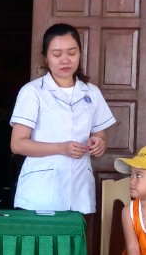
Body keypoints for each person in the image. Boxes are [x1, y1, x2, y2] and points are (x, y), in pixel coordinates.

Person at [9, 23, 116, 213]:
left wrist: (99, 143)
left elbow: (100, 135)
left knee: (75, 232)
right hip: (40, 192)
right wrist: (61, 148)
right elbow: (17, 144)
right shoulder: (33, 92)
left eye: (72, 53)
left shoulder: (91, 93)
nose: (65, 60)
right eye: (57, 54)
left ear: (80, 53)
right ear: (46, 57)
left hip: (79, 189)